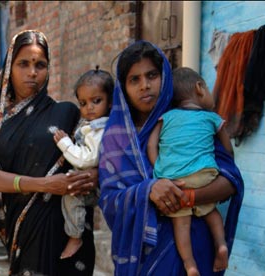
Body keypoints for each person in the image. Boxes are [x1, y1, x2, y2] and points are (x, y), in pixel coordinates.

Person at [98, 41, 244, 275]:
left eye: (152, 75)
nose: (144, 86)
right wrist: (148, 191)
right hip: (146, 259)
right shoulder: (116, 139)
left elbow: (229, 179)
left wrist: (187, 197)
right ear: (123, 88)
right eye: (134, 80)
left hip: (197, 249)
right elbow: (109, 200)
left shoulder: (190, 123)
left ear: (164, 76)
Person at [0, 30, 98, 275]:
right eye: (23, 64)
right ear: (10, 67)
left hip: (62, 227)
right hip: (22, 227)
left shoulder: (66, 113)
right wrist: (43, 185)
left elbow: (93, 157)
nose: (32, 73)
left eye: (40, 65)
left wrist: (94, 176)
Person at [147, 67, 234, 275]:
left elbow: (152, 145)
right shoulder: (212, 117)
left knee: (181, 224)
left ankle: (189, 264)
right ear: (199, 88)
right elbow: (228, 148)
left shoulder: (166, 117)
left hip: (175, 179)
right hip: (205, 174)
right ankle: (221, 245)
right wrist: (227, 161)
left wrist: (159, 170)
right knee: (211, 212)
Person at [53, 66, 113, 259]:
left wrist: (65, 144)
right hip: (91, 180)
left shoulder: (100, 130)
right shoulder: (91, 126)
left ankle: (75, 236)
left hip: (94, 184)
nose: (89, 108)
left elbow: (87, 159)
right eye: (83, 103)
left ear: (110, 101)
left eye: (96, 101)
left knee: (72, 196)